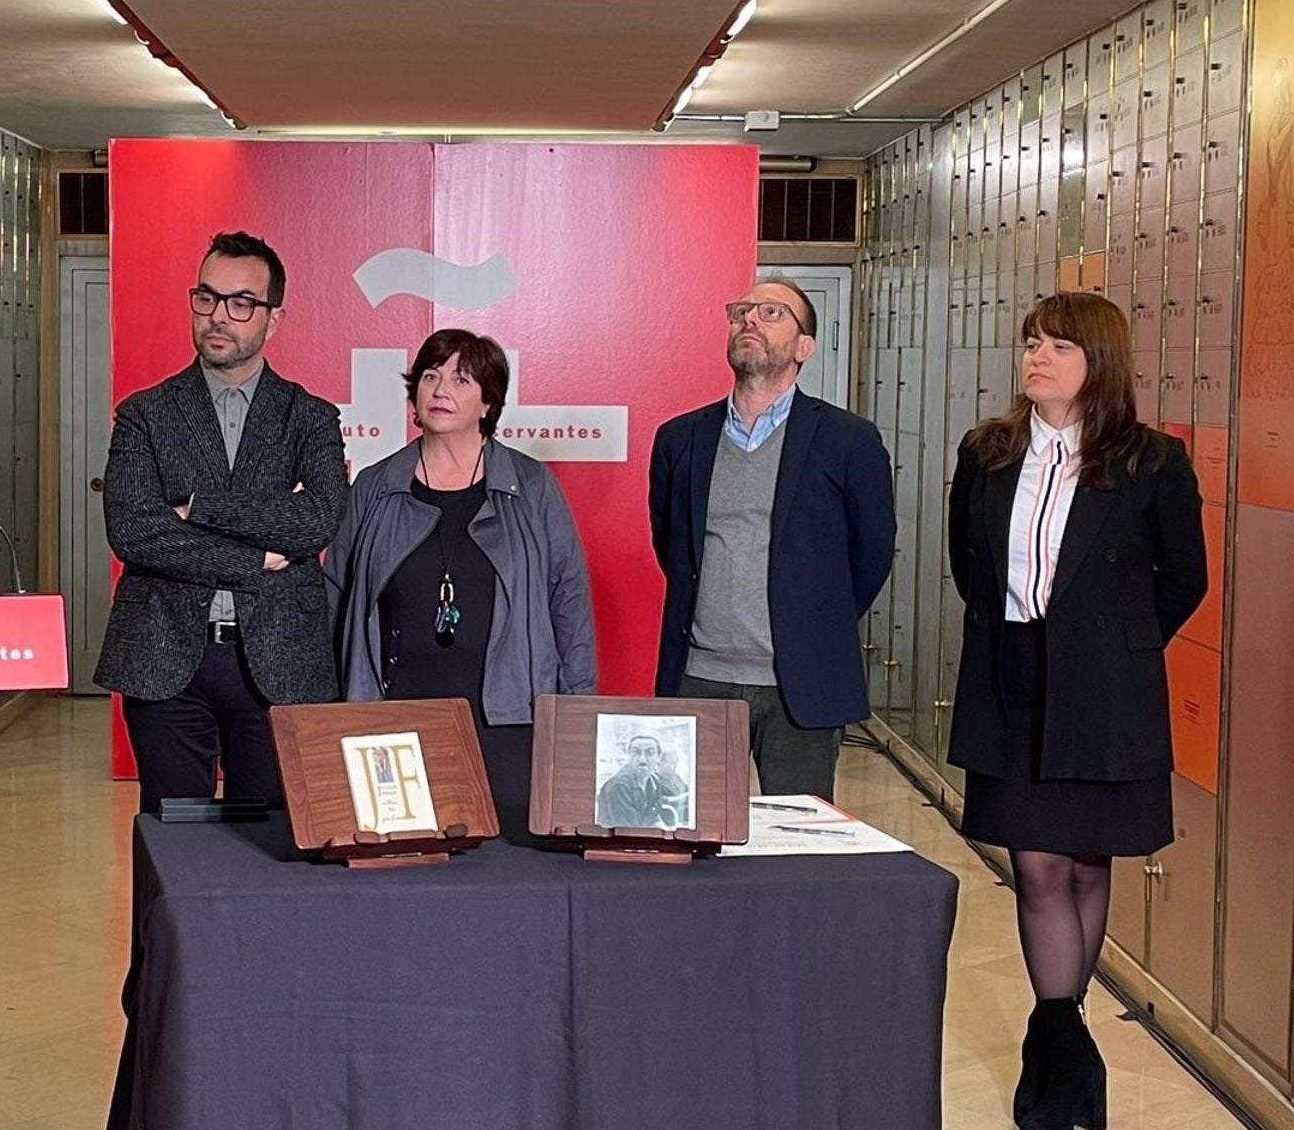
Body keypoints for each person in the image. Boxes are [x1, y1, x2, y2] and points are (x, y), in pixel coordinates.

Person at [948, 290, 1207, 1130]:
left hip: (1106, 691)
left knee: (1089, 864)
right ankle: (1061, 1042)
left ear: (1099, 359)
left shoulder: (1152, 462)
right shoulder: (986, 454)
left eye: (1056, 345)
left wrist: (1119, 652)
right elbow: (968, 566)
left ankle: (1060, 1045)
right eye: (1030, 344)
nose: (1037, 358)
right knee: (1038, 867)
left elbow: (1184, 580)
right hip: (1012, 679)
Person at [96, 231, 350, 813]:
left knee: (268, 837)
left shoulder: (310, 418)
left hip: (280, 657)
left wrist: (198, 510)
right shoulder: (145, 413)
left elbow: (316, 518)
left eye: (241, 304)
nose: (219, 317)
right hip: (163, 655)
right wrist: (252, 557)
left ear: (272, 318)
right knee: (171, 835)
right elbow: (134, 529)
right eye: (206, 298)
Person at [325, 329, 595, 828]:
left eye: (461, 379)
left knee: (507, 869)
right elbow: (334, 596)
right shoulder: (374, 486)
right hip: (394, 719)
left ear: (488, 402)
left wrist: (577, 719)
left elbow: (569, 601)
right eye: (430, 376)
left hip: (508, 720)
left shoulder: (531, 485)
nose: (440, 389)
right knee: (401, 864)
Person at [649, 276, 895, 800]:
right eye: (741, 312)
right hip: (700, 678)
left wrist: (814, 624)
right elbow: (672, 545)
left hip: (800, 683)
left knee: (797, 852)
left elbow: (871, 553)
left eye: (771, 312)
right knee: (692, 842)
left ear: (804, 347)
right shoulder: (680, 439)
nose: (750, 320)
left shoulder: (848, 440)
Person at [596, 734, 691, 829]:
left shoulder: (654, 783)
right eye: (636, 753)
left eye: (650, 753)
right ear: (628, 756)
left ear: (658, 757)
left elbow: (653, 819)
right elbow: (626, 833)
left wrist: (668, 832)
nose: (642, 759)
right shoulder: (618, 787)